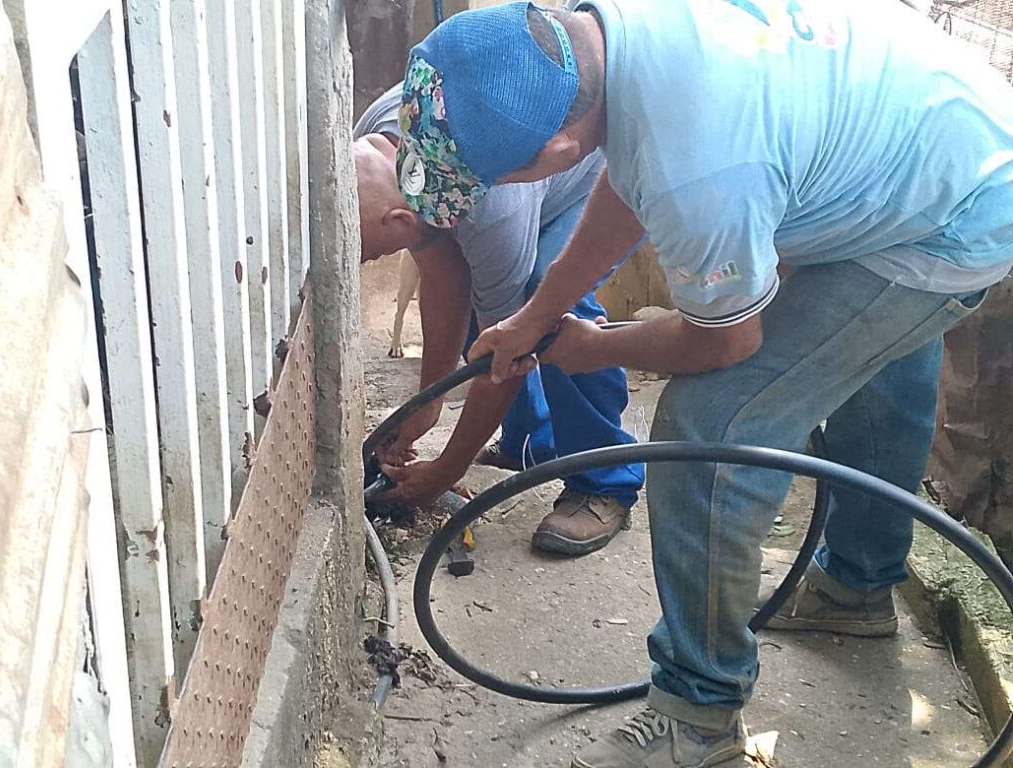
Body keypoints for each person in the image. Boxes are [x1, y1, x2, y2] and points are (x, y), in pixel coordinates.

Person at [395, 2, 1013, 766]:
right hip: (934, 133)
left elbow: (724, 341)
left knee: (709, 434)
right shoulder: (615, 39)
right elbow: (629, 181)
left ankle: (699, 717)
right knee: (872, 368)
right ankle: (855, 591)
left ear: (558, 148)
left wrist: (596, 346)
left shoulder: (702, 166)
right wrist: (540, 314)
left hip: (950, 217)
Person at [353, 83, 645, 555]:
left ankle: (603, 481)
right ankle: (530, 443)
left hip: (603, 173)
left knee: (545, 299)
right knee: (489, 288)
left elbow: (511, 349)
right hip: (523, 183)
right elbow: (444, 275)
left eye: (367, 255)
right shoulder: (379, 133)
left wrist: (444, 472)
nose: (368, 264)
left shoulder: (491, 208)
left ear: (398, 223)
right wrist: (426, 405)